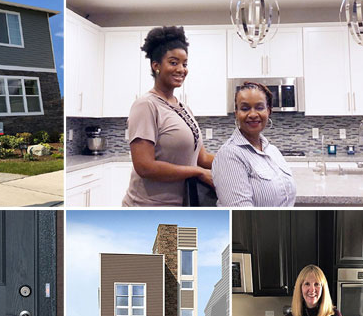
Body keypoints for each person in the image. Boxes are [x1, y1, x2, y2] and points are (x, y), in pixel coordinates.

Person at [122, 27, 215, 206]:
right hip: (147, 208)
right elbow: (144, 166)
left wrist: (238, 161)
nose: (181, 69)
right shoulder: (146, 105)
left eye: (185, 64)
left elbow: (201, 158)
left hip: (180, 205)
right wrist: (197, 172)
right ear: (155, 65)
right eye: (173, 62)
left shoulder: (183, 107)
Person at [213, 82, 296, 206]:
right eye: (245, 108)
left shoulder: (272, 151)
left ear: (268, 111)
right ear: (236, 113)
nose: (252, 114)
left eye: (259, 107)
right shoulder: (229, 155)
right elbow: (241, 215)